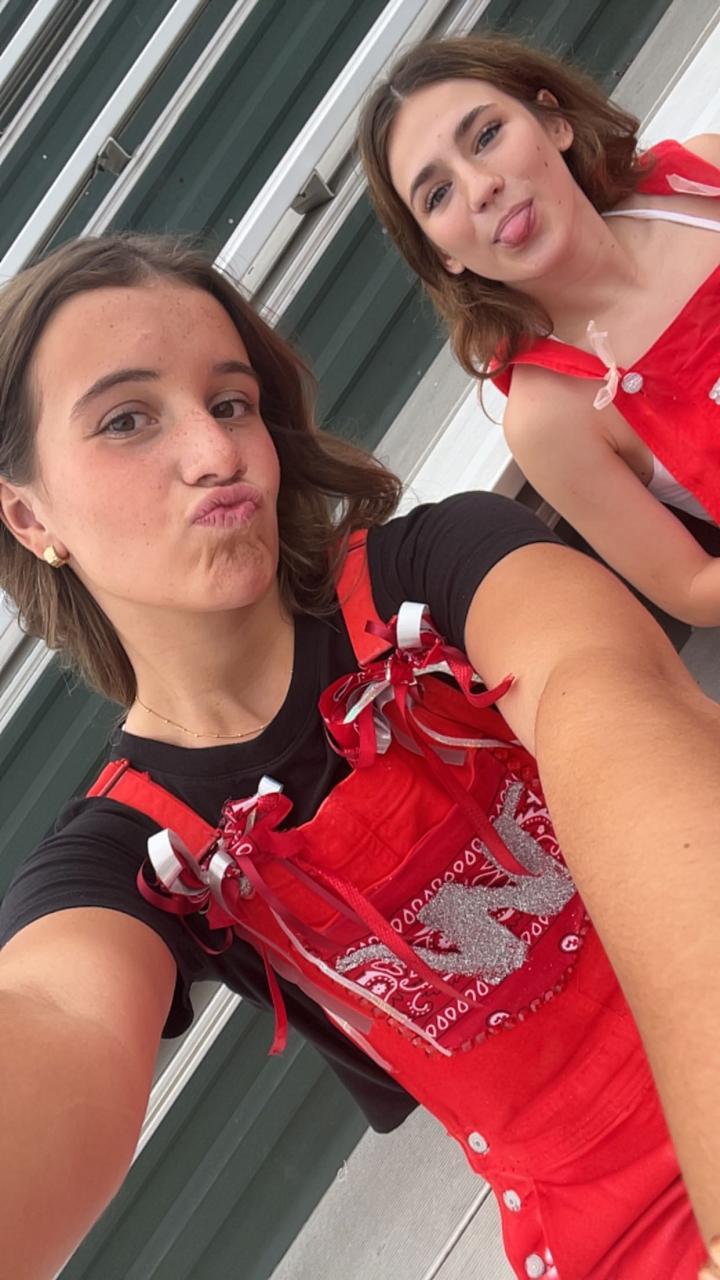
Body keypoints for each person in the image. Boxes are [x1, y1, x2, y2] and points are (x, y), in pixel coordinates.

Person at [0, 234, 719, 1280]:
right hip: (611, 1241)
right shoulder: (125, 857)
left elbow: (608, 703)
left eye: (232, 402)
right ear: (29, 514)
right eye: (127, 420)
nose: (213, 451)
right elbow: (55, 1013)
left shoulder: (446, 566)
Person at [358, 33, 720, 627]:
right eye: (438, 194)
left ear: (553, 122)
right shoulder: (548, 416)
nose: (481, 188)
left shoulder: (702, 176)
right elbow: (692, 587)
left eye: (486, 136)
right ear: (442, 253)